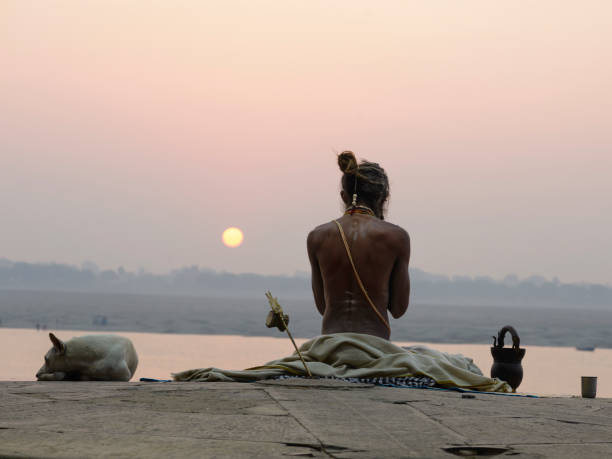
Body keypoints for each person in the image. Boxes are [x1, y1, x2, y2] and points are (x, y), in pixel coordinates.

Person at [307, 151, 410, 340]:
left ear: (344, 195)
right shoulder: (396, 237)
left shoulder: (317, 237)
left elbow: (323, 306)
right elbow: (398, 309)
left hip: (329, 345)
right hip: (375, 347)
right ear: (383, 197)